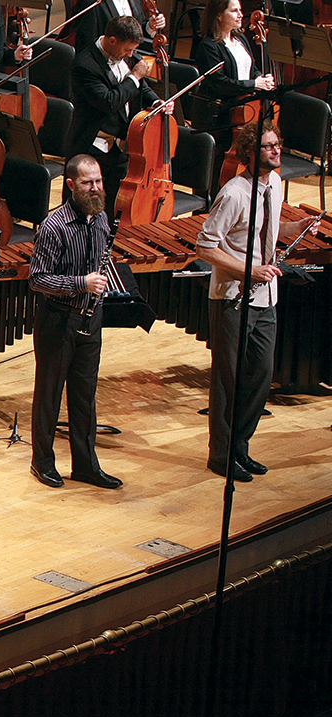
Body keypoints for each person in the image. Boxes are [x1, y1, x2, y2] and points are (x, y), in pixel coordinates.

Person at [196, 121, 318, 482]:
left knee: (262, 375)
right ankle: (220, 454)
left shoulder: (276, 184)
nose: (276, 151)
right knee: (227, 379)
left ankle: (240, 446)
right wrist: (249, 269)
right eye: (267, 146)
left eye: (277, 144)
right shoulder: (233, 194)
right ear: (251, 153)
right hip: (232, 298)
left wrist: (294, 229)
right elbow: (206, 245)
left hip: (266, 297)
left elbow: (266, 226)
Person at [28, 154, 123, 490]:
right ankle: (42, 463)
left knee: (85, 396)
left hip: (89, 317)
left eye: (98, 181)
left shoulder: (100, 218)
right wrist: (81, 283)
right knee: (50, 394)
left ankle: (85, 465)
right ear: (71, 185)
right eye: (88, 183)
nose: (96, 188)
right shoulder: (54, 226)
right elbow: (37, 279)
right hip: (58, 318)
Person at [67, 16, 169, 209]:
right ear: (112, 40)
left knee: (114, 207)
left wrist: (157, 102)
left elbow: (141, 87)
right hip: (93, 147)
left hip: (122, 148)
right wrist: (135, 77)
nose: (131, 54)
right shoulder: (84, 65)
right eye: (127, 49)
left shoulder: (127, 56)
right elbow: (109, 101)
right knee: (87, 208)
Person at [192, 0, 275, 189]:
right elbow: (219, 83)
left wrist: (262, 79)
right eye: (234, 11)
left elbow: (251, 68)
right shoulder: (208, 47)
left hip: (242, 112)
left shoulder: (241, 40)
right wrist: (254, 84)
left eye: (240, 10)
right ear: (219, 15)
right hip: (218, 118)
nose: (240, 15)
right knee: (215, 174)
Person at [71, 0, 166, 56]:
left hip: (134, 61)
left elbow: (136, 31)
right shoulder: (91, 3)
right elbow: (87, 45)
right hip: (107, 70)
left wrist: (150, 26)